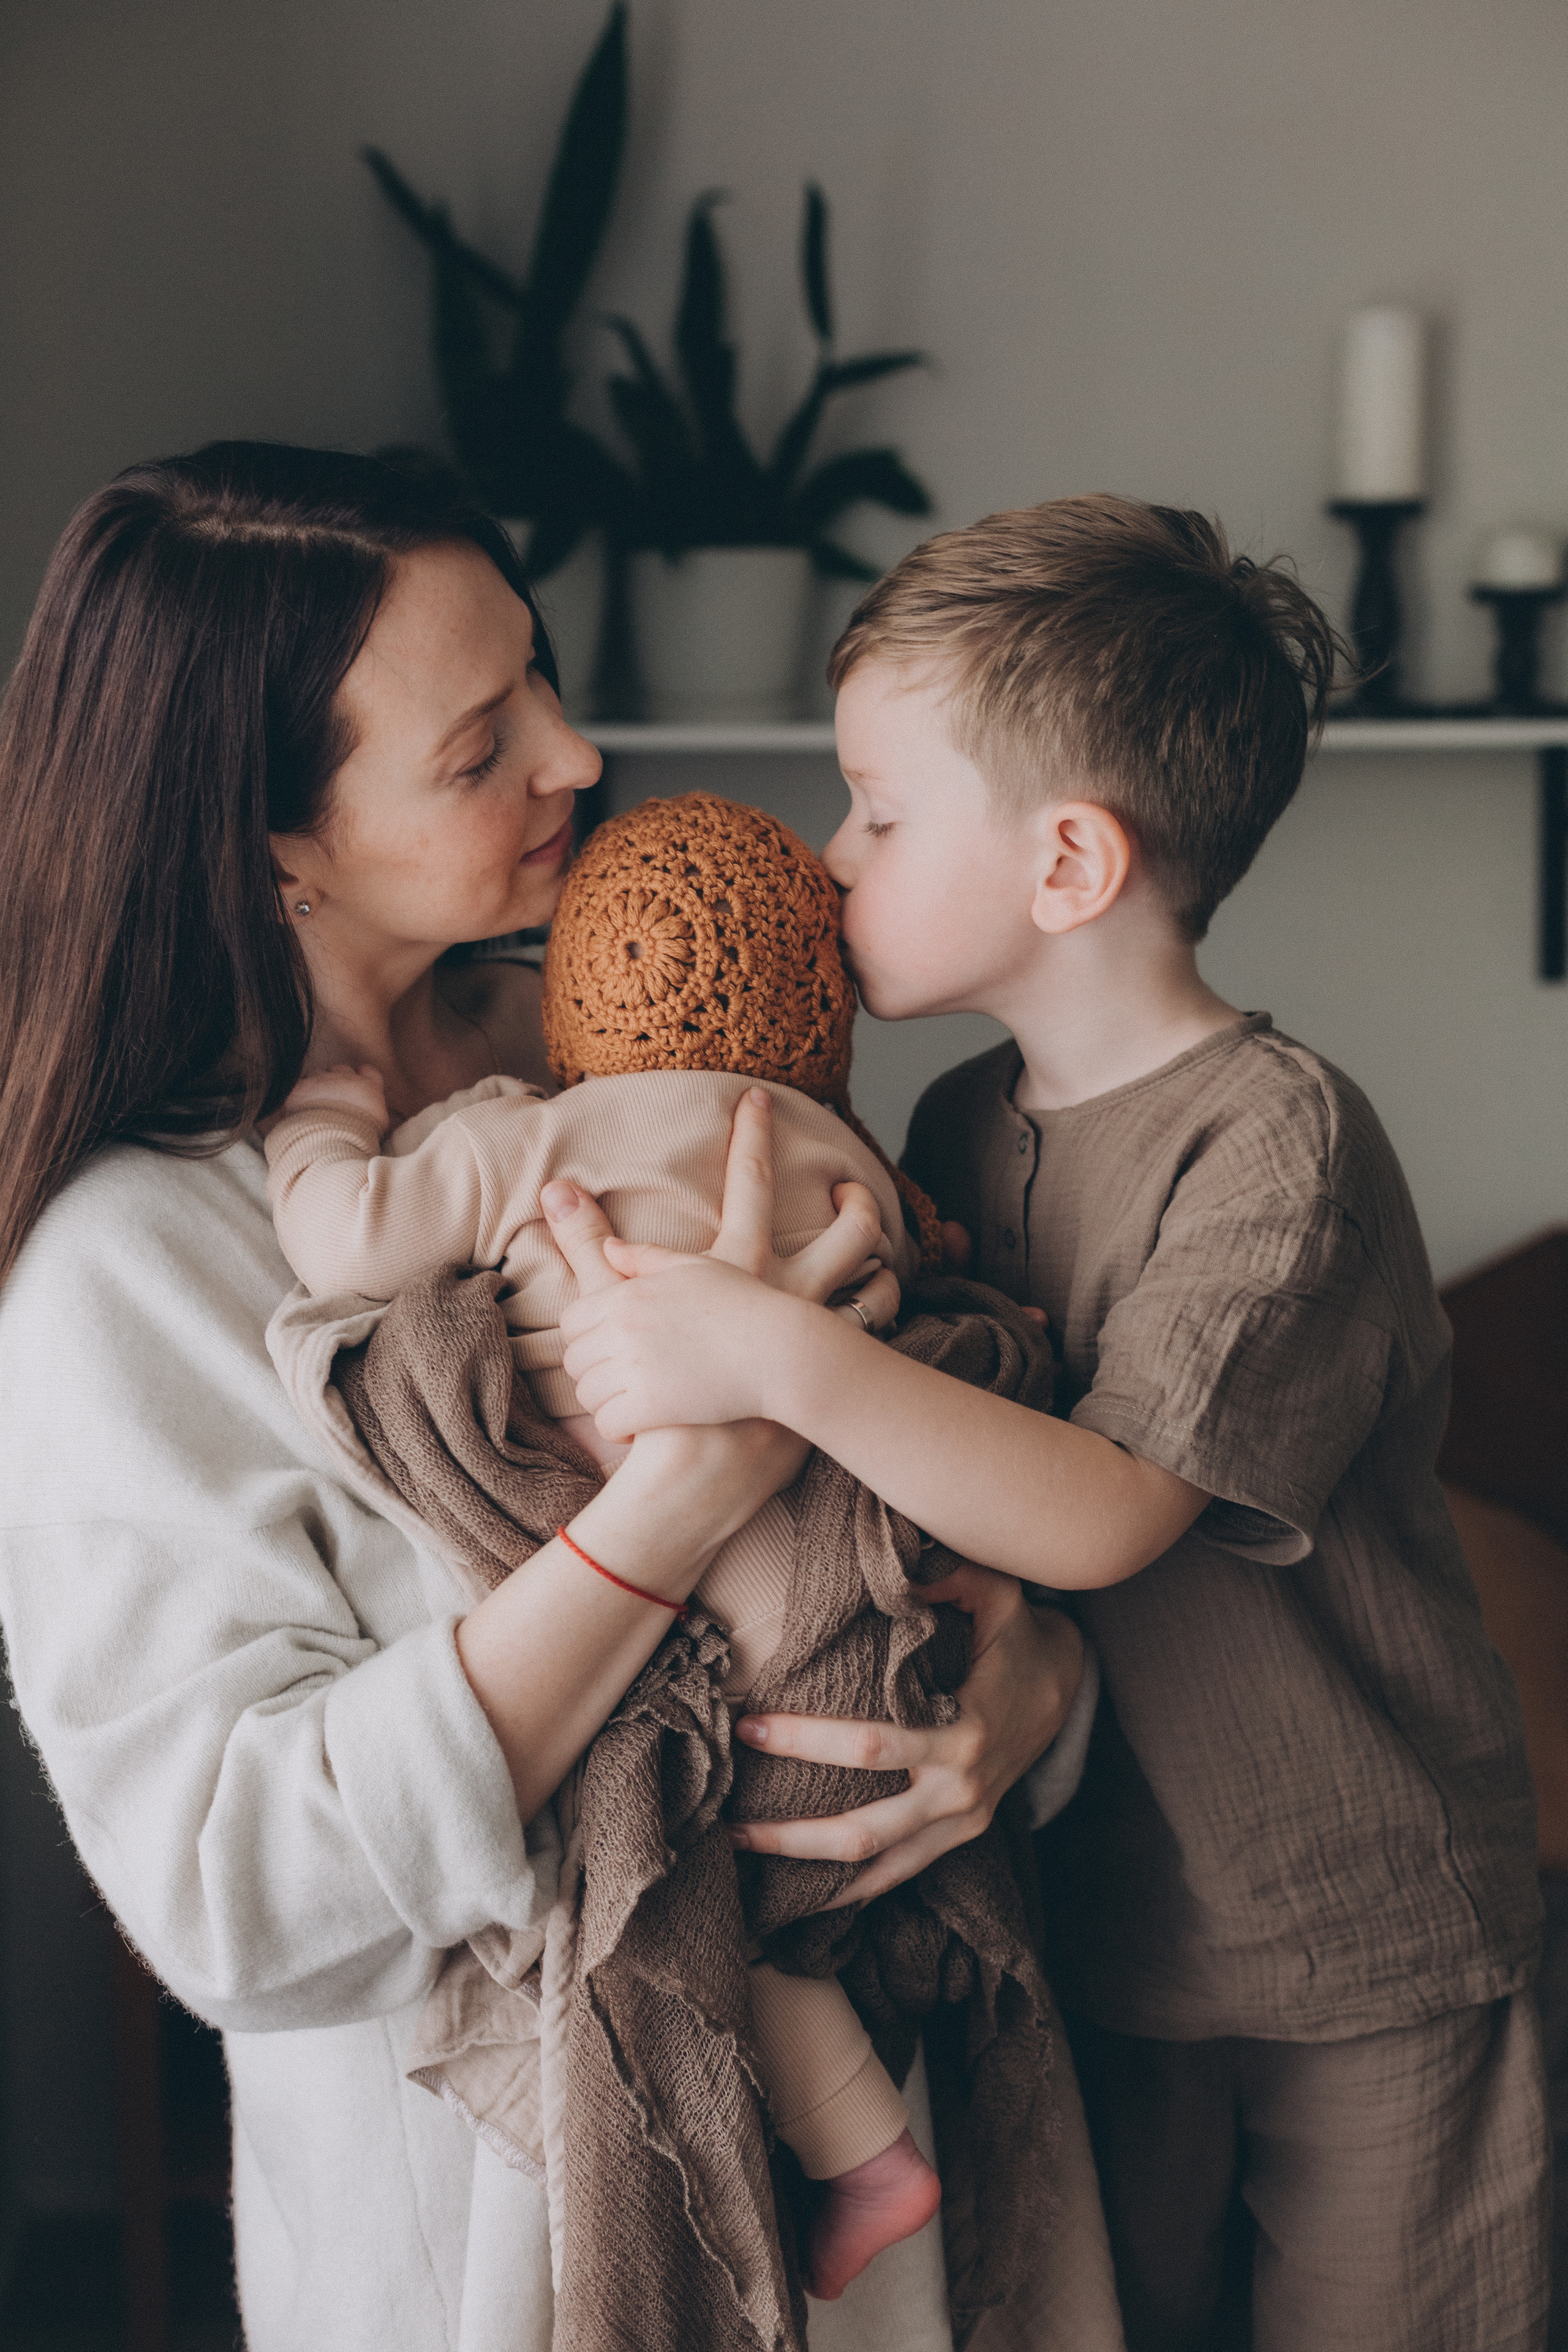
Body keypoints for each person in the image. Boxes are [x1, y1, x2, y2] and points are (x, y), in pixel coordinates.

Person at [0, 446, 1093, 2352]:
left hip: (890, 2210)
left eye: (548, 680)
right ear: (276, 840)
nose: (580, 758)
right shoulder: (134, 1271)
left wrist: (1026, 1699)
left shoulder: (649, 1076)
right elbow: (237, 1896)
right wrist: (684, 1493)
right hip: (510, 2260)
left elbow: (949, 1518)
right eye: (478, 740)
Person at [554, 496, 1553, 2352]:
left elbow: (1101, 1515)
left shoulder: (1280, 1146)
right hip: (1106, 1919)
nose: (832, 857)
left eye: (878, 809)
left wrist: (768, 1351)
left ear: (1071, 860)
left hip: (1362, 1939)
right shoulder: (945, 1131)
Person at [261, 791, 956, 2299]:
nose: (567, 758)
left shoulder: (538, 1135)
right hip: (841, 1621)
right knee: (752, 1882)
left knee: (665, 1856)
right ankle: (870, 2156)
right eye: (478, 740)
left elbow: (343, 1242)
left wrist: (326, 1118)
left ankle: (865, 2155)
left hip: (690, 1640)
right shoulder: (859, 1168)